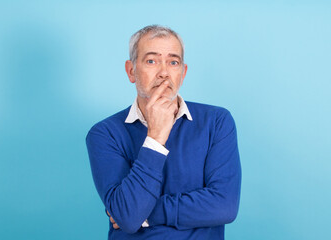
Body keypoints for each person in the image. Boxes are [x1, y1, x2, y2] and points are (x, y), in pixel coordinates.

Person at [86, 25, 241, 240]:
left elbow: (225, 206)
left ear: (183, 72)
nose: (164, 72)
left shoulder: (216, 122)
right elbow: (130, 217)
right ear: (131, 71)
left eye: (173, 62)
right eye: (151, 61)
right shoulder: (105, 134)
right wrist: (155, 138)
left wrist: (146, 213)